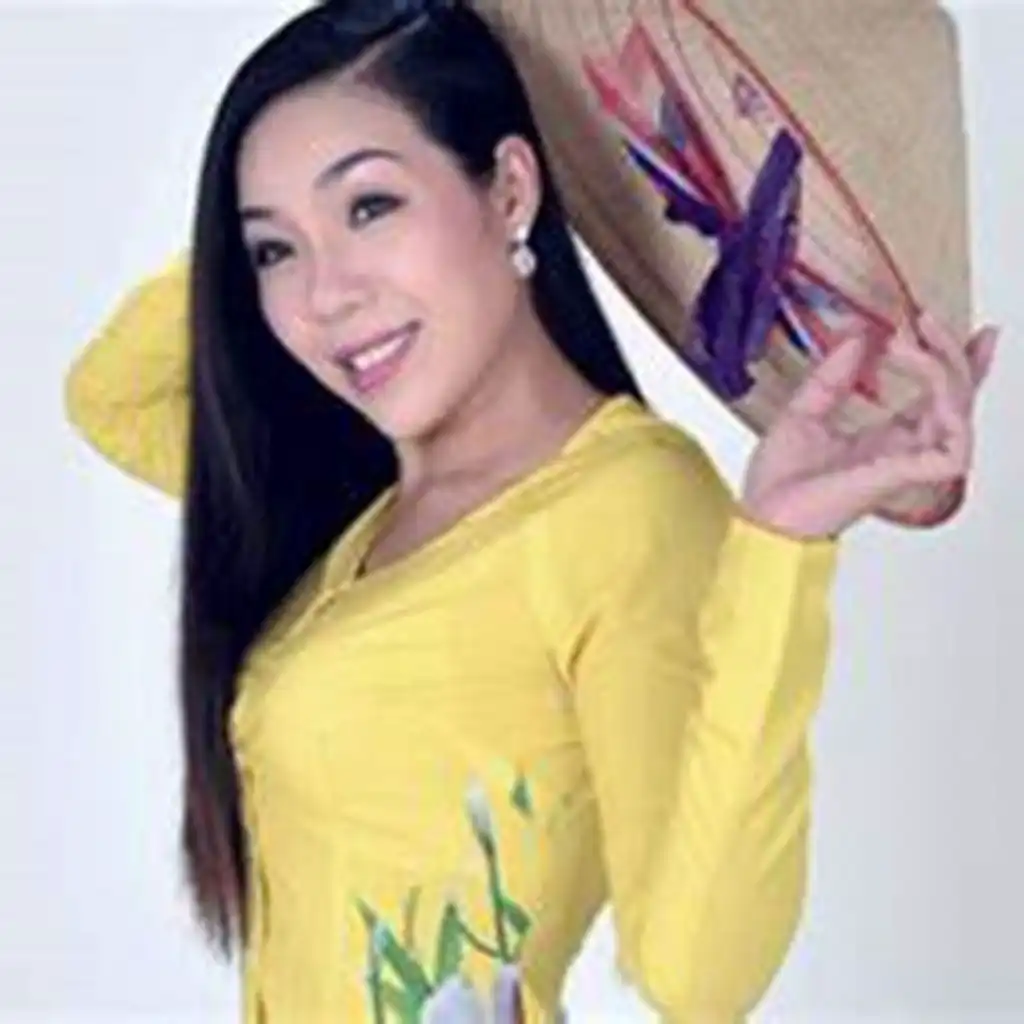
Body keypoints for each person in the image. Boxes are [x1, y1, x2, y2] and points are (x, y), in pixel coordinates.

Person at [63, 1, 997, 1020]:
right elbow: (111, 397)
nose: (325, 295)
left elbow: (699, 976)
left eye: (369, 206)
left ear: (510, 186)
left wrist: (781, 554)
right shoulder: (357, 499)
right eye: (272, 250)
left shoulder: (625, 508)